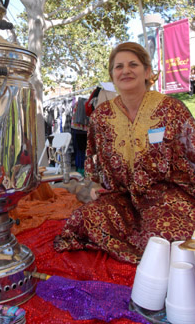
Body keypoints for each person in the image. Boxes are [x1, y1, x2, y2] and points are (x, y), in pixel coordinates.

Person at [54, 42, 195, 263]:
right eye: (119, 66)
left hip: (166, 196)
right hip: (122, 198)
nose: (125, 70)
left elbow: (191, 158)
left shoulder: (172, 110)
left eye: (133, 64)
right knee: (84, 219)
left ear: (147, 71)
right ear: (112, 74)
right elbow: (93, 161)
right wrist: (95, 190)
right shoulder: (101, 116)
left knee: (165, 236)